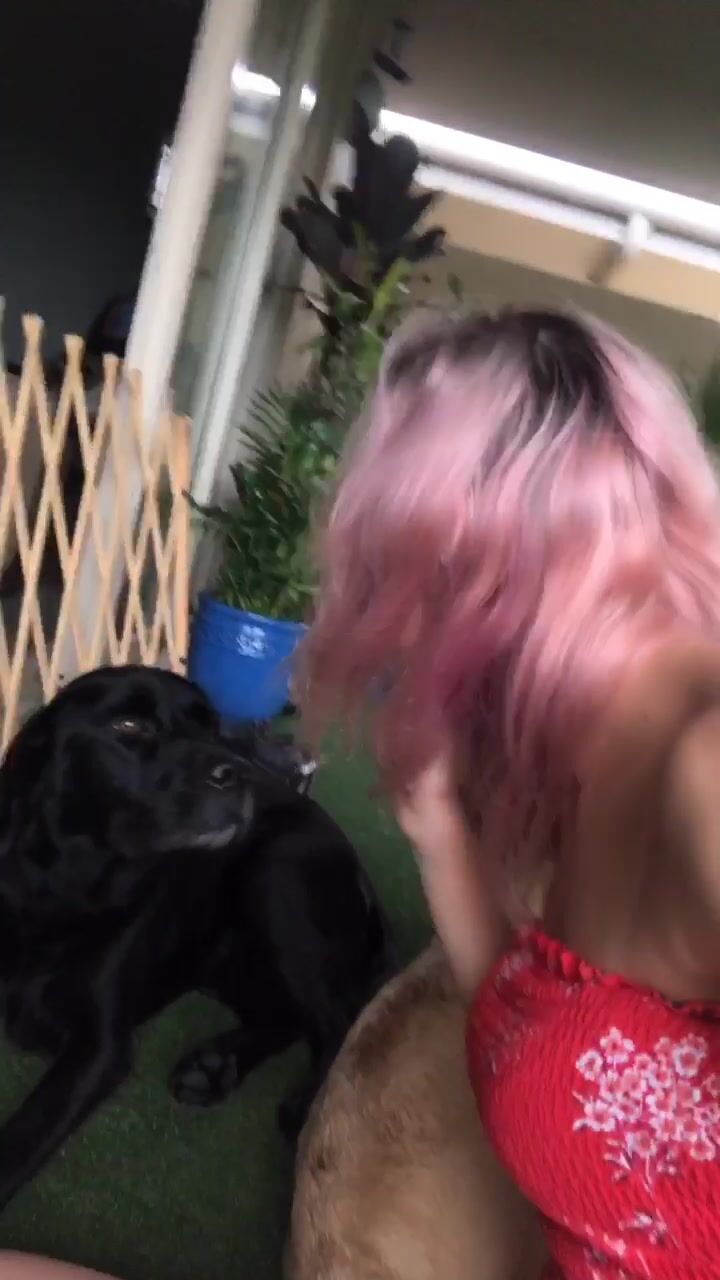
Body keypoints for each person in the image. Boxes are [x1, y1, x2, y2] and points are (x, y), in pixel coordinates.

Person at [298, 307, 720, 1278]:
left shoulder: (706, 765)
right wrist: (442, 836)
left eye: (397, 578)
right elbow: (548, 1036)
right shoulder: (589, 758)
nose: (396, 631)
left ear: (470, 568)